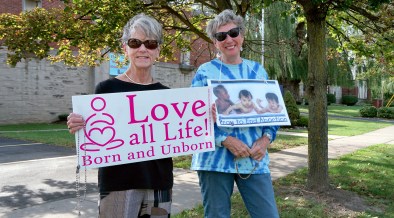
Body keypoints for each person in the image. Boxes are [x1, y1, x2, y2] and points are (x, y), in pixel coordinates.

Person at [67, 14, 173, 218]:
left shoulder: (166, 95)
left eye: (150, 43)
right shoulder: (106, 89)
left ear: (158, 50)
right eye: (135, 42)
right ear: (125, 48)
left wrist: (206, 117)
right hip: (117, 185)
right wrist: (79, 124)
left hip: (159, 185)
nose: (143, 49)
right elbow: (95, 134)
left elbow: (182, 132)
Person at [190, 10, 280, 218]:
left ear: (242, 35)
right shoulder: (204, 72)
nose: (229, 39)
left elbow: (273, 114)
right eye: (221, 36)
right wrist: (224, 140)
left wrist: (266, 139)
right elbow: (193, 119)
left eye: (233, 32)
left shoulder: (258, 71)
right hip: (214, 160)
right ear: (215, 42)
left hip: (254, 156)